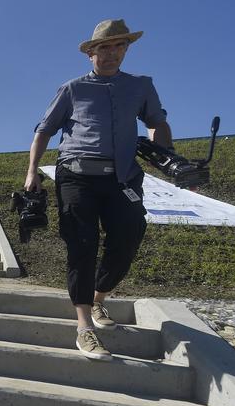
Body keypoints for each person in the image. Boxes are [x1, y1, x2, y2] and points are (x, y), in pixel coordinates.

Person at [25, 19, 171, 361]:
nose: (111, 53)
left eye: (119, 46)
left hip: (122, 178)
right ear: (91, 53)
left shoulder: (141, 86)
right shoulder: (73, 89)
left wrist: (169, 159)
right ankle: (84, 327)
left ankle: (99, 298)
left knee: (130, 235)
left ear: (126, 49)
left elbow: (157, 124)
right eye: (104, 47)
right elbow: (44, 130)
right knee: (82, 243)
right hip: (76, 175)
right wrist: (32, 171)